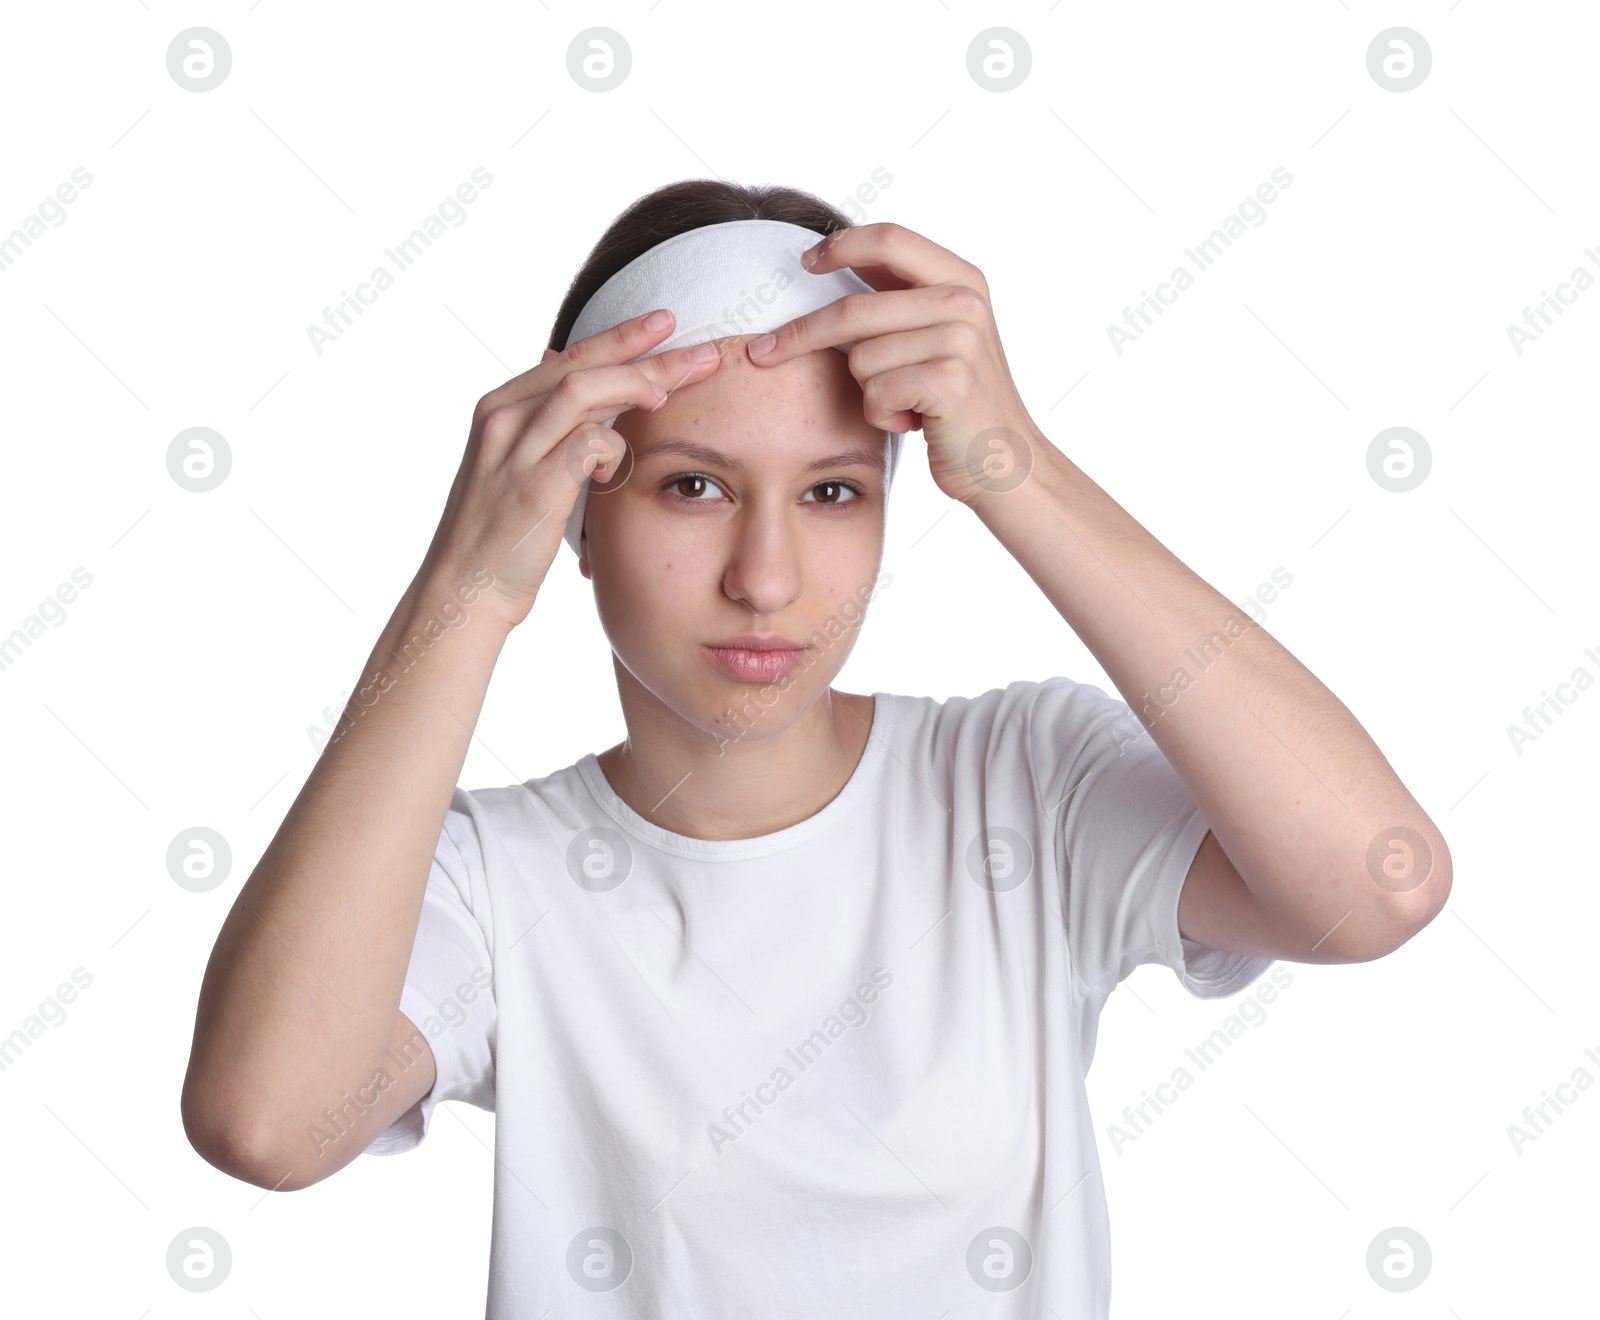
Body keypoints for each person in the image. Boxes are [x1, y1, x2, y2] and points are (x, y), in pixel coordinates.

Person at [180, 180, 1452, 1318]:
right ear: (572, 503)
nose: (767, 577)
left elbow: (1378, 881)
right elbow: (267, 1121)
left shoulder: (1022, 786)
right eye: (694, 485)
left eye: (834, 491)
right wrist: (463, 590)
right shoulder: (488, 882)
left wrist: (1018, 468)